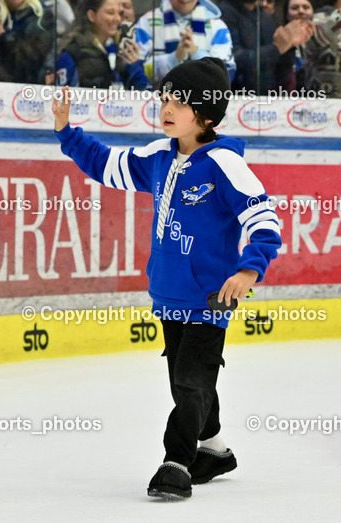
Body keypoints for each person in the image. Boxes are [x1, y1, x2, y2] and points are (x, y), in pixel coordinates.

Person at [52, 57, 282, 499]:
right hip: (169, 293)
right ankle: (214, 449)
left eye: (179, 101)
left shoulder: (224, 164)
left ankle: (176, 462)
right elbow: (105, 164)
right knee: (189, 376)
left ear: (207, 115)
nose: (166, 107)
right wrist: (67, 132)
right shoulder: (158, 156)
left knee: (189, 383)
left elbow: (263, 218)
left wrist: (249, 269)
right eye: (164, 98)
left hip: (213, 297)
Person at [218, 0, 312, 94]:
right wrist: (278, 48)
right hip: (234, 102)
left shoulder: (265, 17)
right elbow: (236, 61)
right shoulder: (223, 14)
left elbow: (279, 72)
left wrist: (290, 45)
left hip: (268, 104)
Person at [135, 0, 236, 84]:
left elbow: (227, 73)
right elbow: (137, 70)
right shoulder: (147, 22)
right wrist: (174, 58)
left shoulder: (217, 26)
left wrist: (196, 53)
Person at [52, 0, 150, 90]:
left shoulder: (118, 51)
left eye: (118, 14)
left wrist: (133, 67)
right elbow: (61, 96)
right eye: (110, 13)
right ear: (92, 16)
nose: (118, 19)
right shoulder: (73, 52)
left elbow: (143, 93)